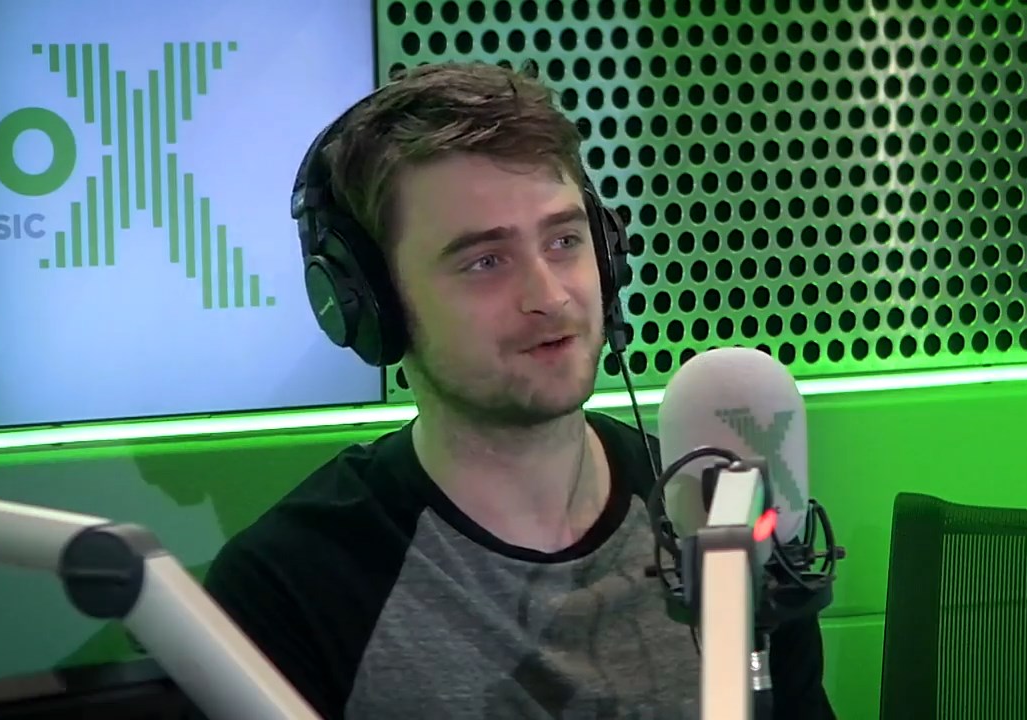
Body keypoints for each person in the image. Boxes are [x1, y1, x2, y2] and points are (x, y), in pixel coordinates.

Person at [202, 60, 837, 719]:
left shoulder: (724, 519)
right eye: (486, 261)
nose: (550, 296)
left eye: (564, 240)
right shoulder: (290, 585)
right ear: (371, 302)